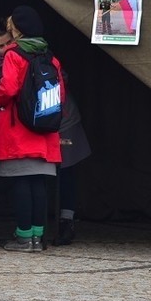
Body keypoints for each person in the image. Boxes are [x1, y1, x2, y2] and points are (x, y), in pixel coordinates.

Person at [0, 6, 64, 252]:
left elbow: (8, 90)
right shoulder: (50, 57)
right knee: (39, 185)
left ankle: (23, 237)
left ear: (18, 29)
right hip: (45, 132)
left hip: (18, 131)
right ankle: (37, 238)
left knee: (21, 183)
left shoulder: (15, 55)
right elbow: (60, 94)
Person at [53, 78, 92, 245]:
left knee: (65, 171)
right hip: (39, 123)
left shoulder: (52, 65)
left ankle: (66, 220)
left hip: (63, 123)